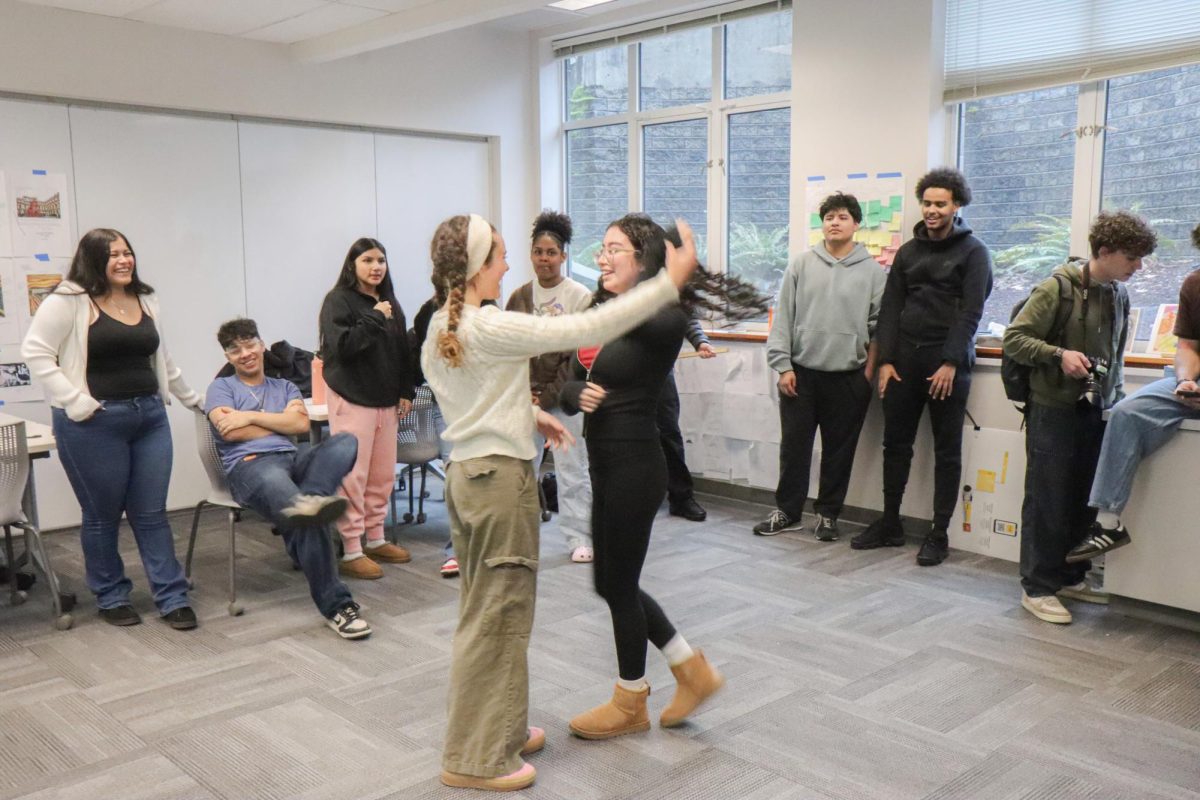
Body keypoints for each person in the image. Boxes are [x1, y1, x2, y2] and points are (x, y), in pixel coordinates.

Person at [422, 212, 701, 792]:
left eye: (615, 248)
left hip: (475, 474)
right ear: (477, 267)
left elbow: (473, 397)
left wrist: (529, 412)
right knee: (497, 620)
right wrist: (668, 282)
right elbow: (575, 334)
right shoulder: (488, 323)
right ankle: (479, 759)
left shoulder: (442, 325)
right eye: (500, 255)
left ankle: (502, 729)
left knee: (497, 614)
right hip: (496, 482)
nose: (511, 263)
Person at [558, 214, 767, 743]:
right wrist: (566, 396)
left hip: (635, 464)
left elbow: (657, 320)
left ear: (646, 260)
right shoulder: (603, 307)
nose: (602, 258)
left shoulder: (664, 313)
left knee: (619, 584)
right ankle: (690, 670)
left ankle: (631, 700)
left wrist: (671, 281)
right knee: (609, 581)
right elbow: (566, 374)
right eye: (601, 248)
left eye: (615, 249)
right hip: (604, 459)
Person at [22, 228, 201, 630]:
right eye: (113, 254)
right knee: (102, 515)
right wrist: (76, 402)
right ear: (93, 259)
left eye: (127, 253)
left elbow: (163, 359)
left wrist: (193, 399)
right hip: (94, 423)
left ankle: (171, 596)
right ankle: (111, 594)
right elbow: (35, 352)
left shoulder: (145, 298)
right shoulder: (68, 300)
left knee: (152, 513)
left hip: (150, 417)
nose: (124, 260)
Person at [1003, 211, 1155, 623]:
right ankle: (1037, 587)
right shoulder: (1057, 288)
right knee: (1047, 500)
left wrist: (1116, 399)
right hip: (1052, 409)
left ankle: (1070, 575)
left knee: (1082, 501)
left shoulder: (1118, 294)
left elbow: (1117, 356)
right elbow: (1014, 338)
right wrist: (1058, 355)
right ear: (1104, 251)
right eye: (1131, 257)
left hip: (1096, 410)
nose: (1138, 267)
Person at [852, 168, 993, 567]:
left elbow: (971, 311)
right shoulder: (909, 252)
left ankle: (939, 533)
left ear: (956, 206)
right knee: (895, 444)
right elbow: (891, 309)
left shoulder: (974, 252)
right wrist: (886, 361)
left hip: (946, 363)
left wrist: (950, 361)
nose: (932, 210)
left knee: (947, 451)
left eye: (940, 204)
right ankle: (891, 522)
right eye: (927, 203)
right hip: (904, 363)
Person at [206, 318, 370, 639]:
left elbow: (298, 426)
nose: (245, 353)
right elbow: (230, 429)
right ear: (228, 357)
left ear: (262, 344)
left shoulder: (285, 386)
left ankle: (312, 499)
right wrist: (277, 421)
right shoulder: (221, 388)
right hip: (251, 466)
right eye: (235, 349)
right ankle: (338, 607)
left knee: (345, 441)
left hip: (292, 460)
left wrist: (250, 416)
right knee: (309, 517)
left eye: (250, 344)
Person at [755, 192, 886, 540]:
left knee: (838, 452)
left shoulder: (873, 272)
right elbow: (783, 317)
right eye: (829, 217)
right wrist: (783, 366)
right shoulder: (800, 265)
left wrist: (867, 375)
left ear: (856, 224)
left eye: (843, 217)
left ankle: (828, 515)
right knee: (794, 448)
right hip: (801, 374)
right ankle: (787, 511)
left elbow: (879, 328)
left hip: (848, 377)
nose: (834, 222)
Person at [1073, 224, 1200, 563]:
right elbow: (1188, 346)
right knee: (1126, 413)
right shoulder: (1195, 283)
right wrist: (1185, 380)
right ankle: (1108, 524)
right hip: (1196, 383)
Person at [318, 238, 416, 580]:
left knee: (382, 476)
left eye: (381, 260)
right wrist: (374, 317)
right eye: (368, 260)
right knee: (352, 477)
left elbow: (403, 352)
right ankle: (352, 549)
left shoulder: (390, 303)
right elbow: (343, 348)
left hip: (386, 402)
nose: (376, 267)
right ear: (352, 266)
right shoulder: (338, 301)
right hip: (352, 398)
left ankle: (375, 539)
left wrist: (406, 390)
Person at [505, 210, 595, 562]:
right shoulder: (518, 297)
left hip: (564, 400)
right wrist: (526, 392)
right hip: (525, 400)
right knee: (521, 471)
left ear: (564, 256)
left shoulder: (579, 296)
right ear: (531, 254)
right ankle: (521, 538)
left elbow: (578, 356)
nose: (545, 259)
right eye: (539, 252)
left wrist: (547, 397)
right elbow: (510, 348)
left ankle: (579, 539)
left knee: (572, 471)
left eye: (552, 252)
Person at [658, 315, 716, 522]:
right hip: (623, 374)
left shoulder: (669, 287)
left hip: (660, 372)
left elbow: (686, 316)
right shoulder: (619, 286)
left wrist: (701, 341)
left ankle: (681, 498)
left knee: (669, 434)